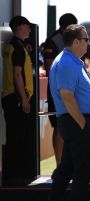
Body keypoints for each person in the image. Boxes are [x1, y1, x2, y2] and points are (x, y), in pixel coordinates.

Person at [44, 24, 90, 201]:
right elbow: (67, 96)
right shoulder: (67, 63)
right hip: (75, 121)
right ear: (76, 42)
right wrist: (83, 123)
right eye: (86, 39)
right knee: (83, 169)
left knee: (66, 169)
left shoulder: (70, 61)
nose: (88, 43)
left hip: (73, 121)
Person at [1, 16, 33, 186]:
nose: (29, 29)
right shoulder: (18, 48)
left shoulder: (10, 46)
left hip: (8, 96)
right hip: (16, 98)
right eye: (27, 26)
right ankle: (15, 177)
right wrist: (24, 99)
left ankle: (10, 174)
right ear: (20, 27)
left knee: (13, 137)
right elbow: (17, 74)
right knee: (17, 138)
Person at [43, 13, 78, 166]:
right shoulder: (53, 41)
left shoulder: (75, 38)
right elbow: (50, 67)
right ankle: (59, 165)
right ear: (65, 27)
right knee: (59, 127)